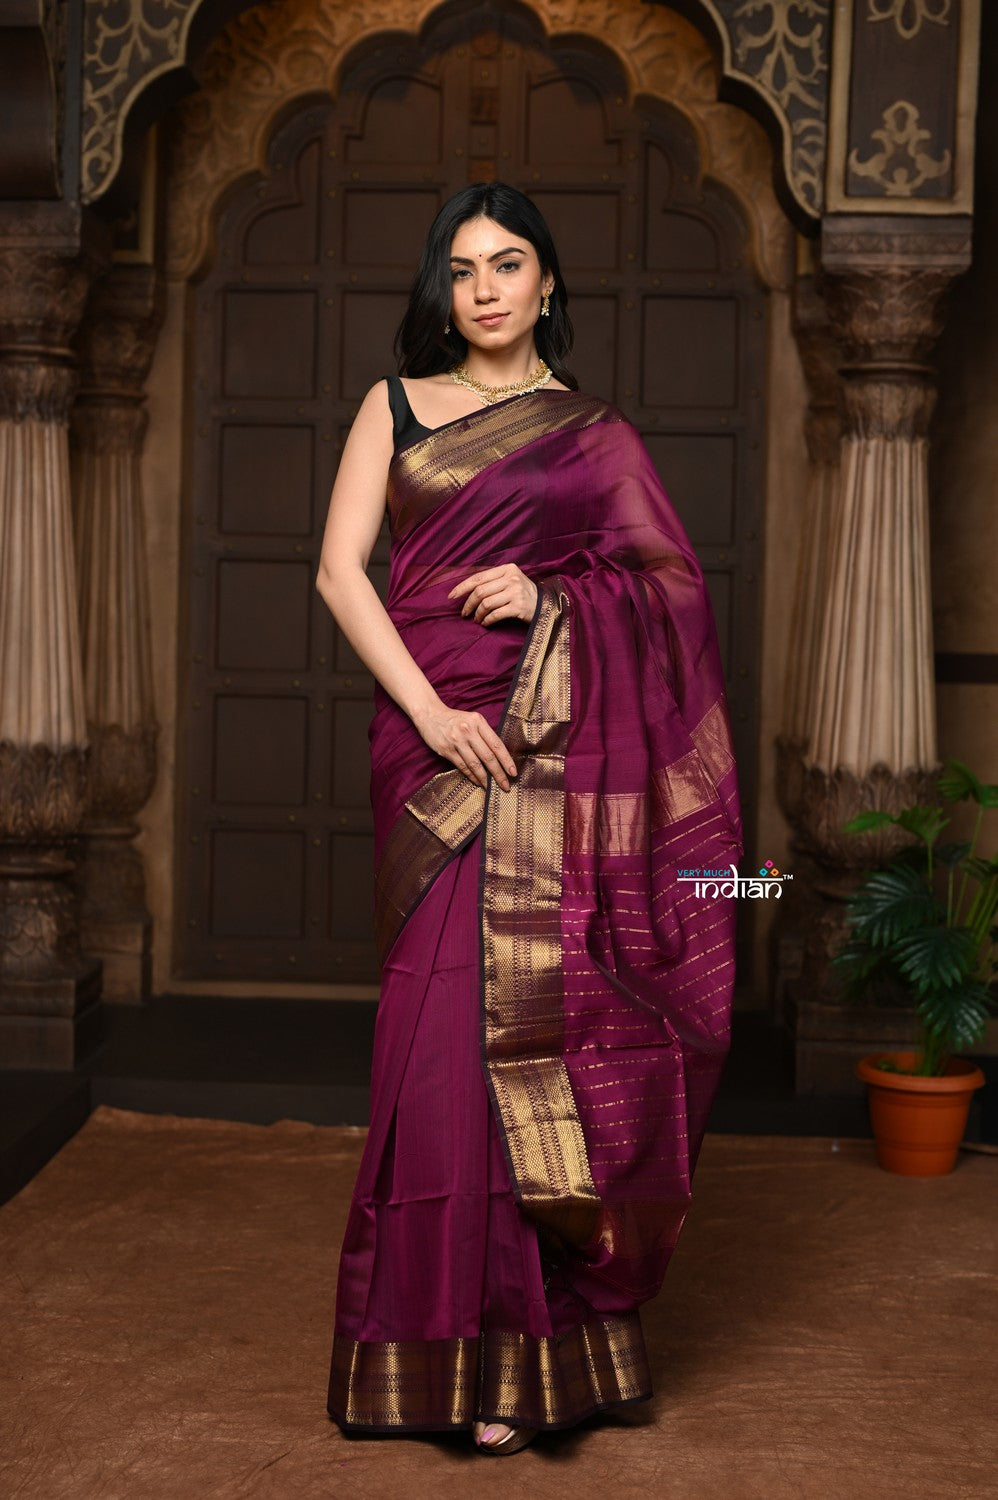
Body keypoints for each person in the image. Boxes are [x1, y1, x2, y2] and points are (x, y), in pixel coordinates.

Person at [317, 182, 742, 1456]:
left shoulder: (593, 434)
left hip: (550, 755)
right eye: (461, 270)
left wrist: (551, 595)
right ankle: (428, 1351)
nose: (483, 289)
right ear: (441, 288)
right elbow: (340, 571)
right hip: (433, 743)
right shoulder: (394, 407)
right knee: (432, 1046)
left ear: (547, 281)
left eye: (507, 264)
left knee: (531, 1038)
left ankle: (527, 1359)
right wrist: (431, 712)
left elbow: (669, 589)